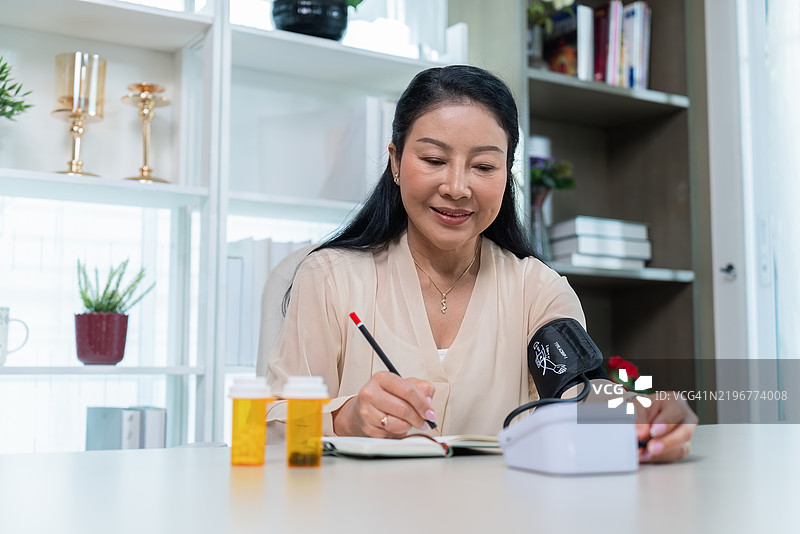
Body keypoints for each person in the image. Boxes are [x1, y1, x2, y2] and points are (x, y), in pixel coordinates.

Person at [263, 65, 697, 463]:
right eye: (433, 160)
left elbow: (579, 391)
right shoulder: (330, 278)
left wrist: (638, 415)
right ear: (395, 162)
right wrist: (348, 418)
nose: (456, 187)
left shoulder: (537, 288)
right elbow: (273, 423)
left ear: (507, 176)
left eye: (484, 166)